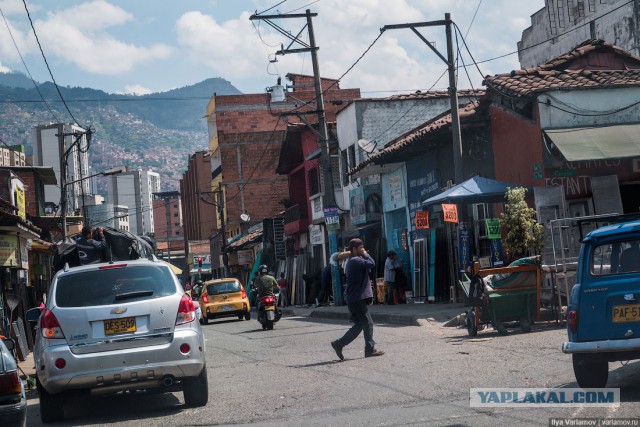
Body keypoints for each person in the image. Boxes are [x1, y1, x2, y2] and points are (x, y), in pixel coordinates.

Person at [331, 238, 384, 360]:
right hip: (357, 299)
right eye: (361, 248)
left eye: (363, 248)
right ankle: (369, 350)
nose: (363, 250)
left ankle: (339, 344)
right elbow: (372, 263)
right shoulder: (355, 260)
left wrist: (363, 254)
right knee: (368, 323)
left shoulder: (354, 260)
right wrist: (365, 254)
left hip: (354, 299)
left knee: (359, 325)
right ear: (354, 249)